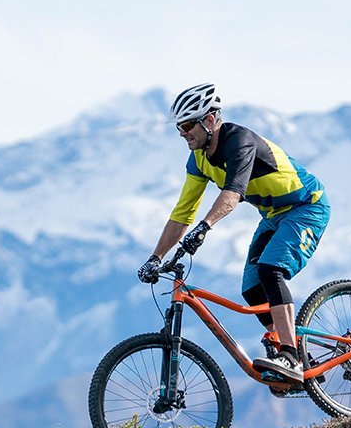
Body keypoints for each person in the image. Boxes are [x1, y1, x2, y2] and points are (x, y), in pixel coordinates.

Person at [138, 83, 331, 384]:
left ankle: (290, 355)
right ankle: (293, 349)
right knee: (252, 290)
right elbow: (181, 214)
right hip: (273, 215)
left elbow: (233, 193)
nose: (183, 133)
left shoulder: (239, 142)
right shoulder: (198, 159)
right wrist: (154, 257)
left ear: (211, 120)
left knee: (270, 270)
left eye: (188, 125)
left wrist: (205, 227)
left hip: (307, 206)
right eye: (179, 127)